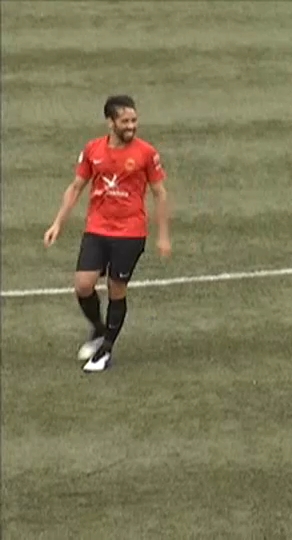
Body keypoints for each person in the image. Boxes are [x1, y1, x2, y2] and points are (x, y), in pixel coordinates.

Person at [43, 95, 171, 373]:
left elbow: (160, 193)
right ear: (110, 122)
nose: (131, 126)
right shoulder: (92, 150)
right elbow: (76, 187)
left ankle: (105, 350)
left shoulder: (146, 153)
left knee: (116, 289)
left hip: (130, 232)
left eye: (134, 120)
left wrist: (162, 235)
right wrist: (57, 224)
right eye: (125, 121)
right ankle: (99, 329)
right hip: (97, 229)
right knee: (83, 285)